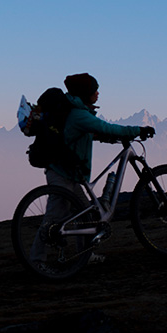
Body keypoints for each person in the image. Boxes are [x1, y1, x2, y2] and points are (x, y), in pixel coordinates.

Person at [31, 73, 154, 268]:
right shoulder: (80, 114)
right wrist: (137, 130)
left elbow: (90, 133)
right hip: (63, 174)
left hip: (68, 172)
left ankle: (85, 256)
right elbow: (107, 127)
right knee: (53, 220)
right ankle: (36, 262)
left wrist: (106, 138)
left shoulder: (77, 112)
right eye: (94, 90)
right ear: (85, 93)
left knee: (87, 216)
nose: (98, 93)